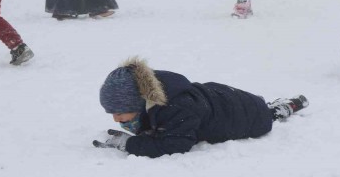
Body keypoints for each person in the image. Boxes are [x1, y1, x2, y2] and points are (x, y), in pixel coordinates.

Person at [95, 57, 308, 158]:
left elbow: (176, 144)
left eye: (119, 112)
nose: (115, 119)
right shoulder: (155, 91)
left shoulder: (177, 108)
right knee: (261, 108)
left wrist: (131, 144)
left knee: (267, 114)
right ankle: (273, 107)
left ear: (137, 102)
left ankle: (283, 108)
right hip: (222, 101)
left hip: (245, 116)